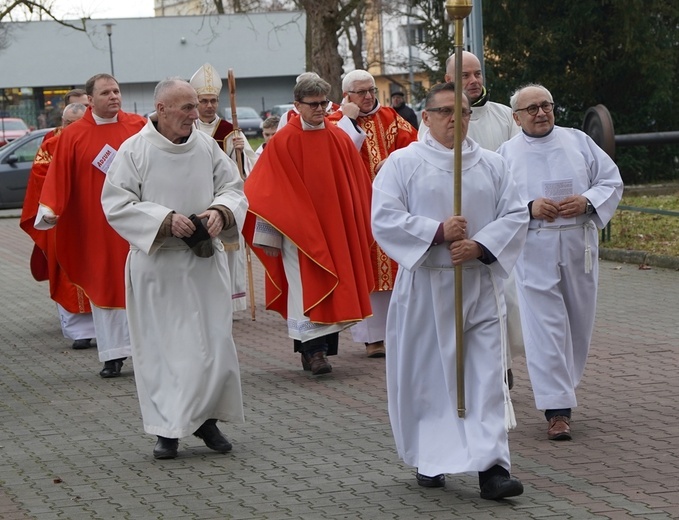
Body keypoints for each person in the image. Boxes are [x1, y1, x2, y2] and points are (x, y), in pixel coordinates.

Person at [372, 82, 528, 499]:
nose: (455, 120)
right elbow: (384, 218)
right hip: (427, 284)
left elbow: (515, 215)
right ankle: (431, 457)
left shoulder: (493, 165)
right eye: (444, 112)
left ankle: (492, 468)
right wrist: (436, 232)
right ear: (425, 117)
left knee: (486, 378)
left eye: (462, 112)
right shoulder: (403, 163)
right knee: (429, 378)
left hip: (477, 282)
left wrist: (481, 244)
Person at [101, 77, 246, 460]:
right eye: (186, 108)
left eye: (195, 107)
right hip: (158, 266)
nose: (194, 115)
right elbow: (116, 204)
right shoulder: (134, 150)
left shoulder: (206, 147)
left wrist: (221, 212)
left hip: (202, 263)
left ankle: (205, 419)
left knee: (211, 344)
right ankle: (167, 429)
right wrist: (164, 220)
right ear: (161, 109)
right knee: (164, 350)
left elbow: (234, 188)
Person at [497, 84, 623, 441]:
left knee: (578, 323)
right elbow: (495, 200)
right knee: (545, 326)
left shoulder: (578, 140)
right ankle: (557, 410)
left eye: (546, 106)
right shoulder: (506, 153)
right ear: (516, 116)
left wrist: (587, 201)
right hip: (533, 246)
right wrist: (528, 207)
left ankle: (564, 388)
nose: (541, 113)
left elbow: (611, 181)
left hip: (578, 243)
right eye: (532, 108)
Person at [243, 75, 374, 376]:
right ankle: (313, 352)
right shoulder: (282, 141)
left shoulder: (338, 138)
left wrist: (356, 221)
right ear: (297, 105)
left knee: (335, 287)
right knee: (305, 288)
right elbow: (263, 191)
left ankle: (322, 349)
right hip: (299, 234)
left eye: (324, 104)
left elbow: (356, 186)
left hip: (336, 230)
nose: (320, 110)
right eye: (313, 105)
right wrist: (269, 237)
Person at [35, 73, 146, 378]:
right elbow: (58, 176)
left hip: (135, 222)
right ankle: (113, 356)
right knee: (104, 284)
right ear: (90, 100)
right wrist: (50, 209)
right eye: (106, 93)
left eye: (117, 91)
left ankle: (147, 352)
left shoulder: (139, 127)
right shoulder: (73, 135)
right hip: (94, 225)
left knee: (141, 285)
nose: (114, 97)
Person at [436, 50, 524, 389]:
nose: (474, 81)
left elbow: (517, 166)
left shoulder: (505, 116)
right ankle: (475, 370)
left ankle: (501, 365)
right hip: (458, 231)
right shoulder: (436, 119)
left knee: (507, 303)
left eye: (478, 74)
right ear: (449, 81)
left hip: (498, 230)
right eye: (465, 76)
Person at [328, 69, 418, 358]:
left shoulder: (393, 118)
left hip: (393, 206)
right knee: (365, 270)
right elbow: (334, 152)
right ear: (347, 96)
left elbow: (415, 148)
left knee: (395, 267)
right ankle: (372, 338)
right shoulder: (335, 122)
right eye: (361, 92)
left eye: (371, 91)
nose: (368, 97)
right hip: (356, 207)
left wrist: (392, 161)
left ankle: (400, 331)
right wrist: (349, 119)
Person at [20, 103, 95, 350]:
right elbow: (41, 177)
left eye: (77, 123)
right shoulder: (51, 145)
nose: (71, 128)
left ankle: (105, 331)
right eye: (68, 123)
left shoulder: (96, 141)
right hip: (62, 221)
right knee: (67, 269)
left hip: (94, 220)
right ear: (62, 123)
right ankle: (79, 332)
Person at [189, 62, 257, 314]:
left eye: (213, 100)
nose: (209, 106)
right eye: (203, 100)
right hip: (196, 197)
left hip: (222, 199)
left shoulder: (230, 131)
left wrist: (241, 151)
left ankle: (229, 302)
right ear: (195, 101)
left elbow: (249, 169)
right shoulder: (188, 130)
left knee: (228, 250)